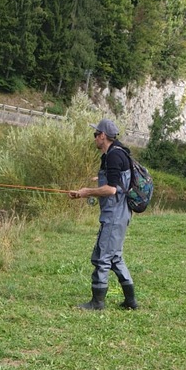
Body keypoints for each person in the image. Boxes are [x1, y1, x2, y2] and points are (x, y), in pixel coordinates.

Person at [68, 118, 138, 311]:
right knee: (115, 257)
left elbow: (111, 189)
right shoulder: (117, 152)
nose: (94, 138)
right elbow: (117, 178)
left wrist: (86, 192)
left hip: (114, 215)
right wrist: (98, 179)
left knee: (102, 257)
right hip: (120, 213)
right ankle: (131, 301)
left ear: (103, 136)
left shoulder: (114, 156)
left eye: (96, 135)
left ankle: (97, 302)